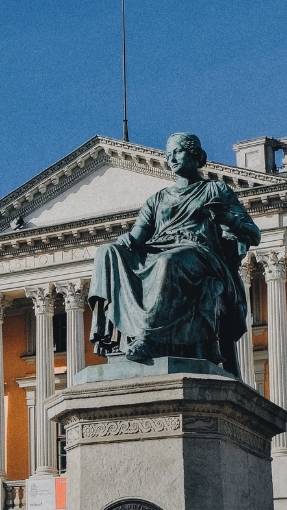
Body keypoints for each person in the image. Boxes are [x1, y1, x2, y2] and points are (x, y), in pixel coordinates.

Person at [89, 132, 260, 375]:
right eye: (169, 154)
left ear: (195, 154)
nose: (172, 158)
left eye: (178, 152)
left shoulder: (215, 189)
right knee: (107, 252)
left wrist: (226, 218)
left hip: (200, 253)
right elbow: (137, 237)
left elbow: (253, 233)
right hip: (159, 248)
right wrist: (125, 241)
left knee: (168, 262)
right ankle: (115, 339)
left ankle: (148, 337)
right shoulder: (157, 199)